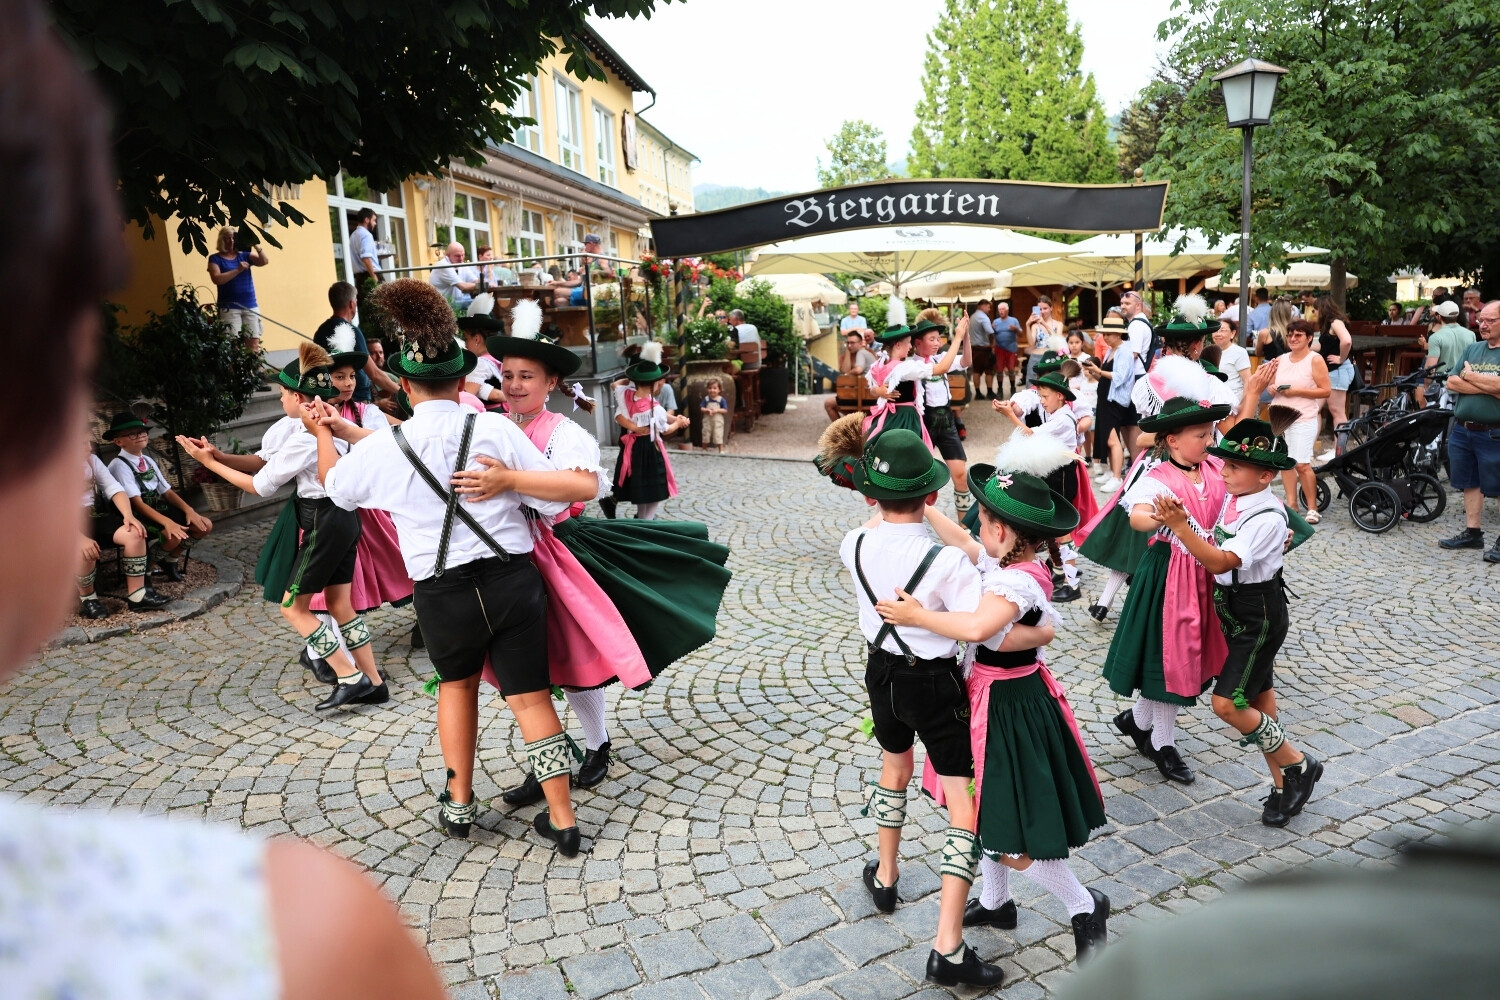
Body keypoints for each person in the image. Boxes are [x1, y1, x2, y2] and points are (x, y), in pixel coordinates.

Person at [0, 8, 445, 995]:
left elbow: (279, 476)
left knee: (304, 607)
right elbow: (263, 473)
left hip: (321, 518)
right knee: (314, 608)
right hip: (315, 514)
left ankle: (358, 677)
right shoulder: (293, 928)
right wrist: (211, 462)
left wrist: (224, 466)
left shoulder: (319, 422)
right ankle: (359, 675)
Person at [310, 278, 596, 852]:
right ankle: (563, 819)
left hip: (441, 593)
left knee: (456, 689)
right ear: (463, 379)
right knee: (532, 698)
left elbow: (334, 489)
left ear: (406, 386)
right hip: (513, 580)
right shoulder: (494, 428)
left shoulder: (382, 446)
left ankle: (459, 805)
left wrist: (324, 432)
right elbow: (552, 498)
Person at [471, 315, 731, 807]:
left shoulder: (564, 432)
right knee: (521, 673)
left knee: (568, 659)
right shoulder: (490, 425)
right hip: (498, 557)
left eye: (527, 376)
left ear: (551, 384)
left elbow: (583, 486)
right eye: (506, 375)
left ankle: (596, 742)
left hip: (555, 552)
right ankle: (547, 763)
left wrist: (508, 481)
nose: (514, 384)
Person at [875, 457, 1110, 964]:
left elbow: (981, 630)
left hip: (1009, 703)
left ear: (1003, 530)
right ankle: (995, 900)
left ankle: (1085, 904)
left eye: (982, 522)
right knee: (984, 807)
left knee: (995, 820)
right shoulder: (1006, 560)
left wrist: (920, 615)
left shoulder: (1020, 582)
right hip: (985, 693)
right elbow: (962, 543)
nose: (975, 530)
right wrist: (922, 501)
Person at [823, 428, 1004, 989]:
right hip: (933, 680)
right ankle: (947, 947)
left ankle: (885, 873)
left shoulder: (852, 541)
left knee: (893, 766)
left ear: (871, 494)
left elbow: (885, 522)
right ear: (931, 495)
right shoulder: (946, 562)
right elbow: (980, 631)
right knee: (962, 803)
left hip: (881, 673)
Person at [177, 343, 387, 711]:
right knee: (339, 604)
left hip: (324, 520)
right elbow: (264, 461)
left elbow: (260, 486)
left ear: (299, 398)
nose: (279, 399)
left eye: (283, 394)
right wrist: (216, 455)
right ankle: (374, 682)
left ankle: (349, 677)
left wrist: (207, 465)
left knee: (293, 607)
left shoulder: (307, 438)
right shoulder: (322, 423)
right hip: (343, 517)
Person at [1153, 413, 1322, 826]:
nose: (1222, 472)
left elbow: (1219, 560)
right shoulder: (1237, 499)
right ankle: (1284, 785)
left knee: (1227, 703)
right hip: (1236, 610)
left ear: (1266, 477)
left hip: (1257, 616)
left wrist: (1179, 526)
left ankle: (1300, 765)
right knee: (1261, 703)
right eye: (1224, 464)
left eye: (1233, 467)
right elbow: (1216, 540)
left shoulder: (1266, 516)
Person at [1102, 396, 1232, 786]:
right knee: (1170, 657)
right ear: (1172, 440)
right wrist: (1159, 515)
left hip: (1207, 571)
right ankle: (1162, 742)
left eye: (1209, 433)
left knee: (1188, 655)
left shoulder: (1216, 467)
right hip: (1168, 575)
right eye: (1199, 435)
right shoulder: (1157, 477)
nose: (1208, 441)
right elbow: (1138, 516)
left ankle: (1138, 721)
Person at [994, 373, 1098, 602]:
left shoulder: (1062, 419)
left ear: (1060, 396)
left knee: (1061, 531)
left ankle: (1073, 583)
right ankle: (1060, 572)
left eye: (1045, 396)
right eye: (1040, 396)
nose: (1041, 400)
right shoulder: (1058, 415)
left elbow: (1030, 434)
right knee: (1052, 526)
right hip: (1056, 474)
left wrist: (1010, 415)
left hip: (1061, 476)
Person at [105, 412, 213, 580]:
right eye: (132, 433)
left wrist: (189, 510)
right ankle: (146, 567)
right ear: (118, 441)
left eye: (142, 432)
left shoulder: (148, 460)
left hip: (156, 506)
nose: (140, 435)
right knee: (171, 536)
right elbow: (136, 503)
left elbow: (167, 492)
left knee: (204, 525)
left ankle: (170, 559)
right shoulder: (119, 465)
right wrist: (167, 523)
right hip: (135, 512)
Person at [1439, 299, 1500, 562]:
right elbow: (1452, 381)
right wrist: (1491, 386)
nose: (1481, 325)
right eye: (1481, 320)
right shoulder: (1473, 348)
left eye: (1489, 321)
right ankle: (1473, 533)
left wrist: (1471, 377)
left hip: (1494, 432)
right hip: (1464, 430)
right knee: (1469, 482)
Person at [79, 453, 168, 617]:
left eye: (87, 442)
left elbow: (114, 487)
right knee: (84, 550)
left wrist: (128, 515)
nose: (87, 447)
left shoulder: (91, 460)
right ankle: (88, 598)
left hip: (93, 515)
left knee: (135, 533)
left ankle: (137, 595)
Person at [862, 313, 967, 451]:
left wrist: (877, 391)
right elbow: (942, 368)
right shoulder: (904, 368)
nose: (910, 347)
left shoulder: (880, 365)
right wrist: (958, 337)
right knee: (910, 457)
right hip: (905, 418)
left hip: (886, 417)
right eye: (908, 343)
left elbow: (873, 388)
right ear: (898, 345)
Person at [610, 343, 690, 520]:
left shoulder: (626, 395)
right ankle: (647, 521)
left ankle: (642, 520)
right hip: (651, 448)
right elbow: (666, 429)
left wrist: (632, 379)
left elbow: (616, 386)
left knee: (642, 489)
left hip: (636, 447)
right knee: (655, 490)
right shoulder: (655, 408)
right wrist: (678, 424)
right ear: (654, 383)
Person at [1266, 320, 1331, 522]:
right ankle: (1292, 505)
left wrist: (1295, 391)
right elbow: (1270, 385)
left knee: (1302, 463)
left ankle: (1312, 507)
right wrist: (1272, 388)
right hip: (1280, 415)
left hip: (1304, 416)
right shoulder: (1282, 359)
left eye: (1298, 335)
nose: (1293, 339)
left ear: (1309, 338)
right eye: (1290, 335)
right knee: (1285, 462)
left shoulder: (1315, 359)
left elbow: (1325, 390)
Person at [913, 315, 974, 517]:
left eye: (938, 339)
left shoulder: (941, 358)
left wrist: (965, 336)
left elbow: (966, 360)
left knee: (961, 475)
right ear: (917, 342)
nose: (937, 343)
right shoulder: (912, 365)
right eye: (932, 339)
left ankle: (964, 528)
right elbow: (943, 368)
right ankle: (913, 521)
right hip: (924, 424)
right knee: (920, 477)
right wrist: (956, 337)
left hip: (946, 422)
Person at [314, 281, 401, 405]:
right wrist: (402, 392)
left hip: (330, 399)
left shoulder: (320, 331)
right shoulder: (352, 331)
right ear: (352, 303)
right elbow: (374, 373)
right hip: (356, 399)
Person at [207, 225, 268, 356]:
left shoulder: (244, 255)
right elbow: (217, 279)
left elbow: (264, 261)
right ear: (222, 240)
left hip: (250, 304)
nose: (231, 241)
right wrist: (237, 270)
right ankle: (234, 373)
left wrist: (255, 244)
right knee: (232, 343)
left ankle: (253, 373)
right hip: (229, 307)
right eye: (227, 238)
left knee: (253, 341)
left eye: (234, 238)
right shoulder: (215, 258)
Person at [1089, 315, 1133, 496]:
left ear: (1117, 334)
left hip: (1114, 401)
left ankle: (1117, 476)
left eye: (1107, 334)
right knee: (1105, 436)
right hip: (1106, 397)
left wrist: (1099, 371)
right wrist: (1095, 372)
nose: (1104, 337)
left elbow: (1120, 377)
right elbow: (1107, 376)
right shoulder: (1111, 350)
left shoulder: (1125, 351)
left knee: (1112, 439)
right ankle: (1111, 472)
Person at [1314, 295, 1355, 461]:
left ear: (1322, 309)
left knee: (1337, 412)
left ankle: (1339, 451)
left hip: (1338, 371)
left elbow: (1347, 341)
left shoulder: (1335, 322)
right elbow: (1323, 346)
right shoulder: (1329, 325)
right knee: (1314, 408)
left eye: (1315, 310)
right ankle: (1308, 448)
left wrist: (1341, 358)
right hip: (1331, 372)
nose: (1314, 313)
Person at [1418, 299, 1476, 407]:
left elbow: (1431, 367)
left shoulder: (1436, 337)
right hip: (1463, 387)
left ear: (1439, 317)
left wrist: (1427, 386)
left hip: (1444, 388)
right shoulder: (1471, 334)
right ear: (1457, 316)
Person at [457, 293, 508, 411]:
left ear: (476, 339)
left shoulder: (480, 364)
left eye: (466, 339)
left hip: (493, 413)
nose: (465, 343)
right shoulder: (496, 357)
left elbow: (467, 395)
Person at [825, 329, 879, 421]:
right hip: (871, 396)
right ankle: (851, 428)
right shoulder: (867, 353)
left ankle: (842, 431)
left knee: (828, 404)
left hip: (866, 398)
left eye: (852, 343)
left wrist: (847, 374)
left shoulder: (861, 353)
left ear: (860, 343)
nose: (849, 346)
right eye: (848, 343)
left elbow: (858, 369)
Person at [1024, 298, 1065, 385]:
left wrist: (1044, 324)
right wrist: (1027, 325)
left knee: (1052, 385)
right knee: (1032, 385)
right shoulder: (1035, 326)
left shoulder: (1058, 324)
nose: (1042, 311)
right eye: (1040, 309)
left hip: (1052, 358)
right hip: (1036, 357)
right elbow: (1031, 344)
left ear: (1051, 308)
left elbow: (1058, 341)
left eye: (1045, 308)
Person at [1212, 316, 1251, 405]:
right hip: (1214, 403)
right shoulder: (1209, 352)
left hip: (1233, 402)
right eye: (1215, 330)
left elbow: (1247, 381)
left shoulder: (1239, 352)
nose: (1218, 334)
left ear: (1232, 333)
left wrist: (1243, 405)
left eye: (1223, 330)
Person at [429, 241, 479, 310]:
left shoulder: (460, 264)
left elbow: (475, 280)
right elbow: (463, 287)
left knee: (483, 304)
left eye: (463, 255)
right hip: (442, 305)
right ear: (448, 255)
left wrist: (480, 283)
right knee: (481, 305)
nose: (461, 258)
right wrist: (481, 284)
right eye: (457, 256)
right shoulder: (443, 265)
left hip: (456, 302)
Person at [992, 301, 1023, 398]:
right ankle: (1000, 390)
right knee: (999, 370)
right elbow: (993, 336)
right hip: (999, 348)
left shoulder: (1014, 320)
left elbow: (1021, 334)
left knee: (1011, 370)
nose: (1001, 311)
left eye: (1003, 309)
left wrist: (1016, 329)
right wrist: (993, 346)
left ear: (1007, 310)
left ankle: (1013, 389)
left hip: (1011, 349)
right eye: (999, 310)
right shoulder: (996, 322)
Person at [967, 299, 996, 400]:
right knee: (989, 370)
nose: (989, 309)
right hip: (984, 349)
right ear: (982, 306)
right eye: (988, 307)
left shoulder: (972, 317)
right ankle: (989, 392)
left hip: (974, 348)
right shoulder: (984, 317)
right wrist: (992, 345)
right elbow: (990, 332)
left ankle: (978, 393)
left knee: (976, 371)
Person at [350, 207, 382, 287]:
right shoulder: (366, 235)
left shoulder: (353, 235)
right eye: (374, 220)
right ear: (367, 220)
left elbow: (361, 257)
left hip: (359, 277)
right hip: (370, 275)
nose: (375, 223)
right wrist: (373, 276)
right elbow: (365, 257)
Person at [1256, 298, 1294, 362]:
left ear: (1272, 313)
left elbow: (1258, 353)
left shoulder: (1265, 333)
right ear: (1289, 314)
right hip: (1290, 368)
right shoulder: (1295, 332)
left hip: (1271, 369)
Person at [701, 378, 729, 453]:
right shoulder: (706, 399)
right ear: (707, 389)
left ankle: (721, 449)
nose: (712, 390)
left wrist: (717, 410)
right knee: (706, 433)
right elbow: (702, 408)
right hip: (707, 420)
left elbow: (725, 410)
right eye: (710, 388)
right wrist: (707, 410)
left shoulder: (721, 400)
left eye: (714, 388)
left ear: (719, 390)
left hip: (718, 420)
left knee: (718, 433)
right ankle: (704, 448)